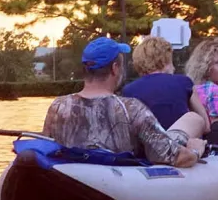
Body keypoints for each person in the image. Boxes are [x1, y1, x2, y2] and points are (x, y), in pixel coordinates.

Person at [43, 37, 207, 168]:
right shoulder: (131, 109)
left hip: (78, 173)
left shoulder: (58, 107)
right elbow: (175, 157)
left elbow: (46, 148)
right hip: (121, 181)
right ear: (115, 68)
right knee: (193, 119)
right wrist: (194, 149)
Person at [123, 36, 211, 134]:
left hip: (145, 146)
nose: (173, 68)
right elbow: (206, 126)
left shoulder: (128, 90)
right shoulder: (184, 82)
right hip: (179, 146)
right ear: (166, 60)